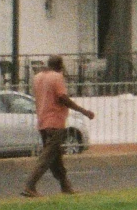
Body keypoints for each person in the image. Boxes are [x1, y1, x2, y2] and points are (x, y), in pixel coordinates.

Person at [21, 55, 94, 198]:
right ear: (60, 65)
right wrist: (84, 111)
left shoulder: (38, 77)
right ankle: (30, 185)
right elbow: (63, 98)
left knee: (56, 158)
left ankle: (65, 186)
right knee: (47, 157)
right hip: (55, 122)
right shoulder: (56, 77)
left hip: (42, 121)